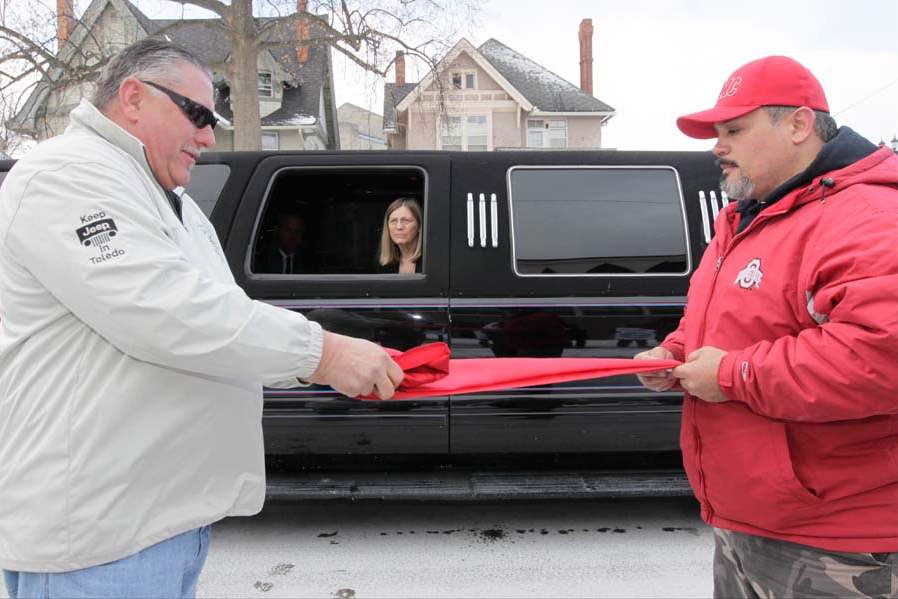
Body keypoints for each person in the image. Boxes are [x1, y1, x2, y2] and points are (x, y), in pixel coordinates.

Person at [0, 38, 402, 598]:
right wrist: (323, 354)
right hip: (98, 538)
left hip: (159, 519)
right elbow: (166, 311)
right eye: (197, 114)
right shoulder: (66, 177)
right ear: (134, 97)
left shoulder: (168, 199)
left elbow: (221, 316)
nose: (209, 136)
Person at [635, 55, 898, 598]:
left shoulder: (869, 216)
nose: (717, 146)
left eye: (734, 130)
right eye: (717, 132)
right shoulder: (745, 218)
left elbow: (878, 355)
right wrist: (676, 353)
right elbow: (723, 326)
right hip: (749, 520)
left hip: (841, 538)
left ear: (799, 125)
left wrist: (733, 375)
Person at [377, 197, 422, 274]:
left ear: (419, 226)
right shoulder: (384, 263)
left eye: (406, 221)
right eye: (393, 221)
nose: (399, 227)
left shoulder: (431, 261)